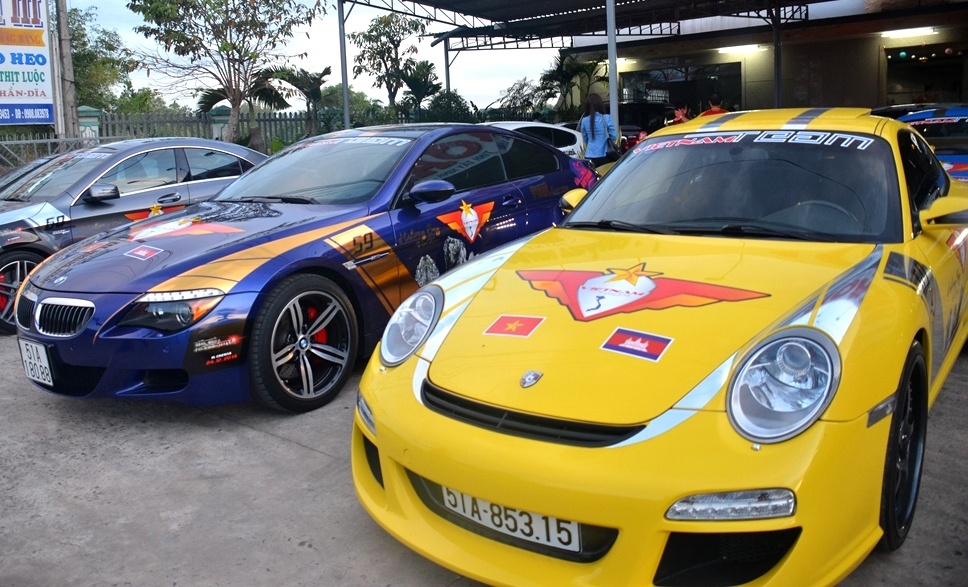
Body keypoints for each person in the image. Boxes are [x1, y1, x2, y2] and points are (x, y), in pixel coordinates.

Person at [580, 93, 619, 166]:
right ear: (600, 105)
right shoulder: (606, 118)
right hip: (604, 154)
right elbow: (614, 136)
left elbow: (585, 138)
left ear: (588, 106)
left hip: (589, 155)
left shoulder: (584, 120)